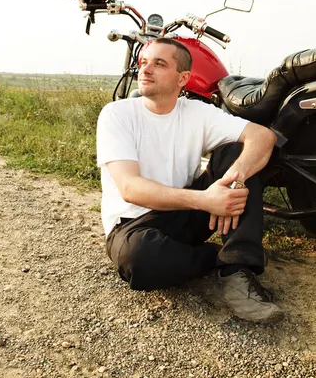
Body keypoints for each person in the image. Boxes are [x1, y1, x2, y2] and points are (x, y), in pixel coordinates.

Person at [96, 38, 284, 323]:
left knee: (237, 150)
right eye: (143, 62)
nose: (145, 70)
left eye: (159, 64)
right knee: (141, 259)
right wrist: (206, 199)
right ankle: (217, 257)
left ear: (183, 78)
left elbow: (263, 136)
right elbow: (130, 188)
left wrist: (235, 179)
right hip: (134, 225)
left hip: (187, 214)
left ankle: (237, 272)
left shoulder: (197, 112)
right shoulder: (118, 115)